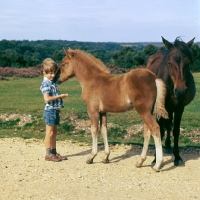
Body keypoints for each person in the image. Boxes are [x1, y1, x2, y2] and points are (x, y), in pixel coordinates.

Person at [40, 58, 68, 162]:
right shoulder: (46, 84)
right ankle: (48, 154)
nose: (52, 75)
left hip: (55, 111)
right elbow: (47, 99)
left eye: (53, 73)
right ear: (44, 72)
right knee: (49, 133)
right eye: (49, 73)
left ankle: (54, 152)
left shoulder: (51, 82)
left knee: (54, 132)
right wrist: (60, 96)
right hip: (50, 111)